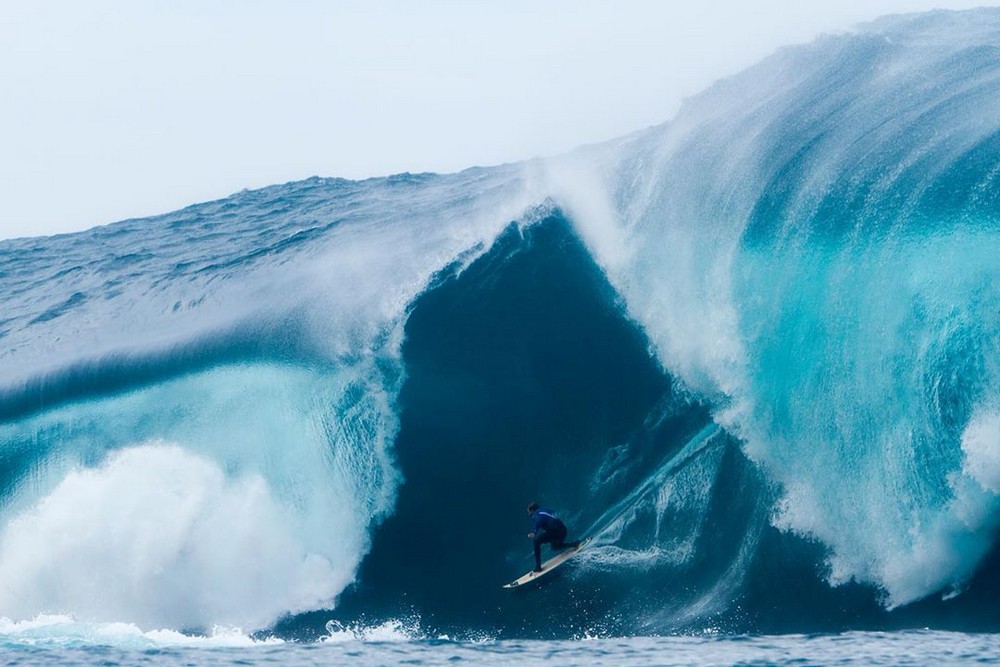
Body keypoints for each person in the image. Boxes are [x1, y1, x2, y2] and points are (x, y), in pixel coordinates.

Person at [526, 502, 580, 572]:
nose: (528, 514)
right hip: (563, 530)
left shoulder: (536, 514)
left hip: (555, 532)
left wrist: (534, 532)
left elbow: (539, 520)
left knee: (536, 541)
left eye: (529, 512)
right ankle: (574, 544)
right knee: (555, 547)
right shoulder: (546, 509)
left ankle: (538, 567)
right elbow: (552, 517)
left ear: (532, 510)